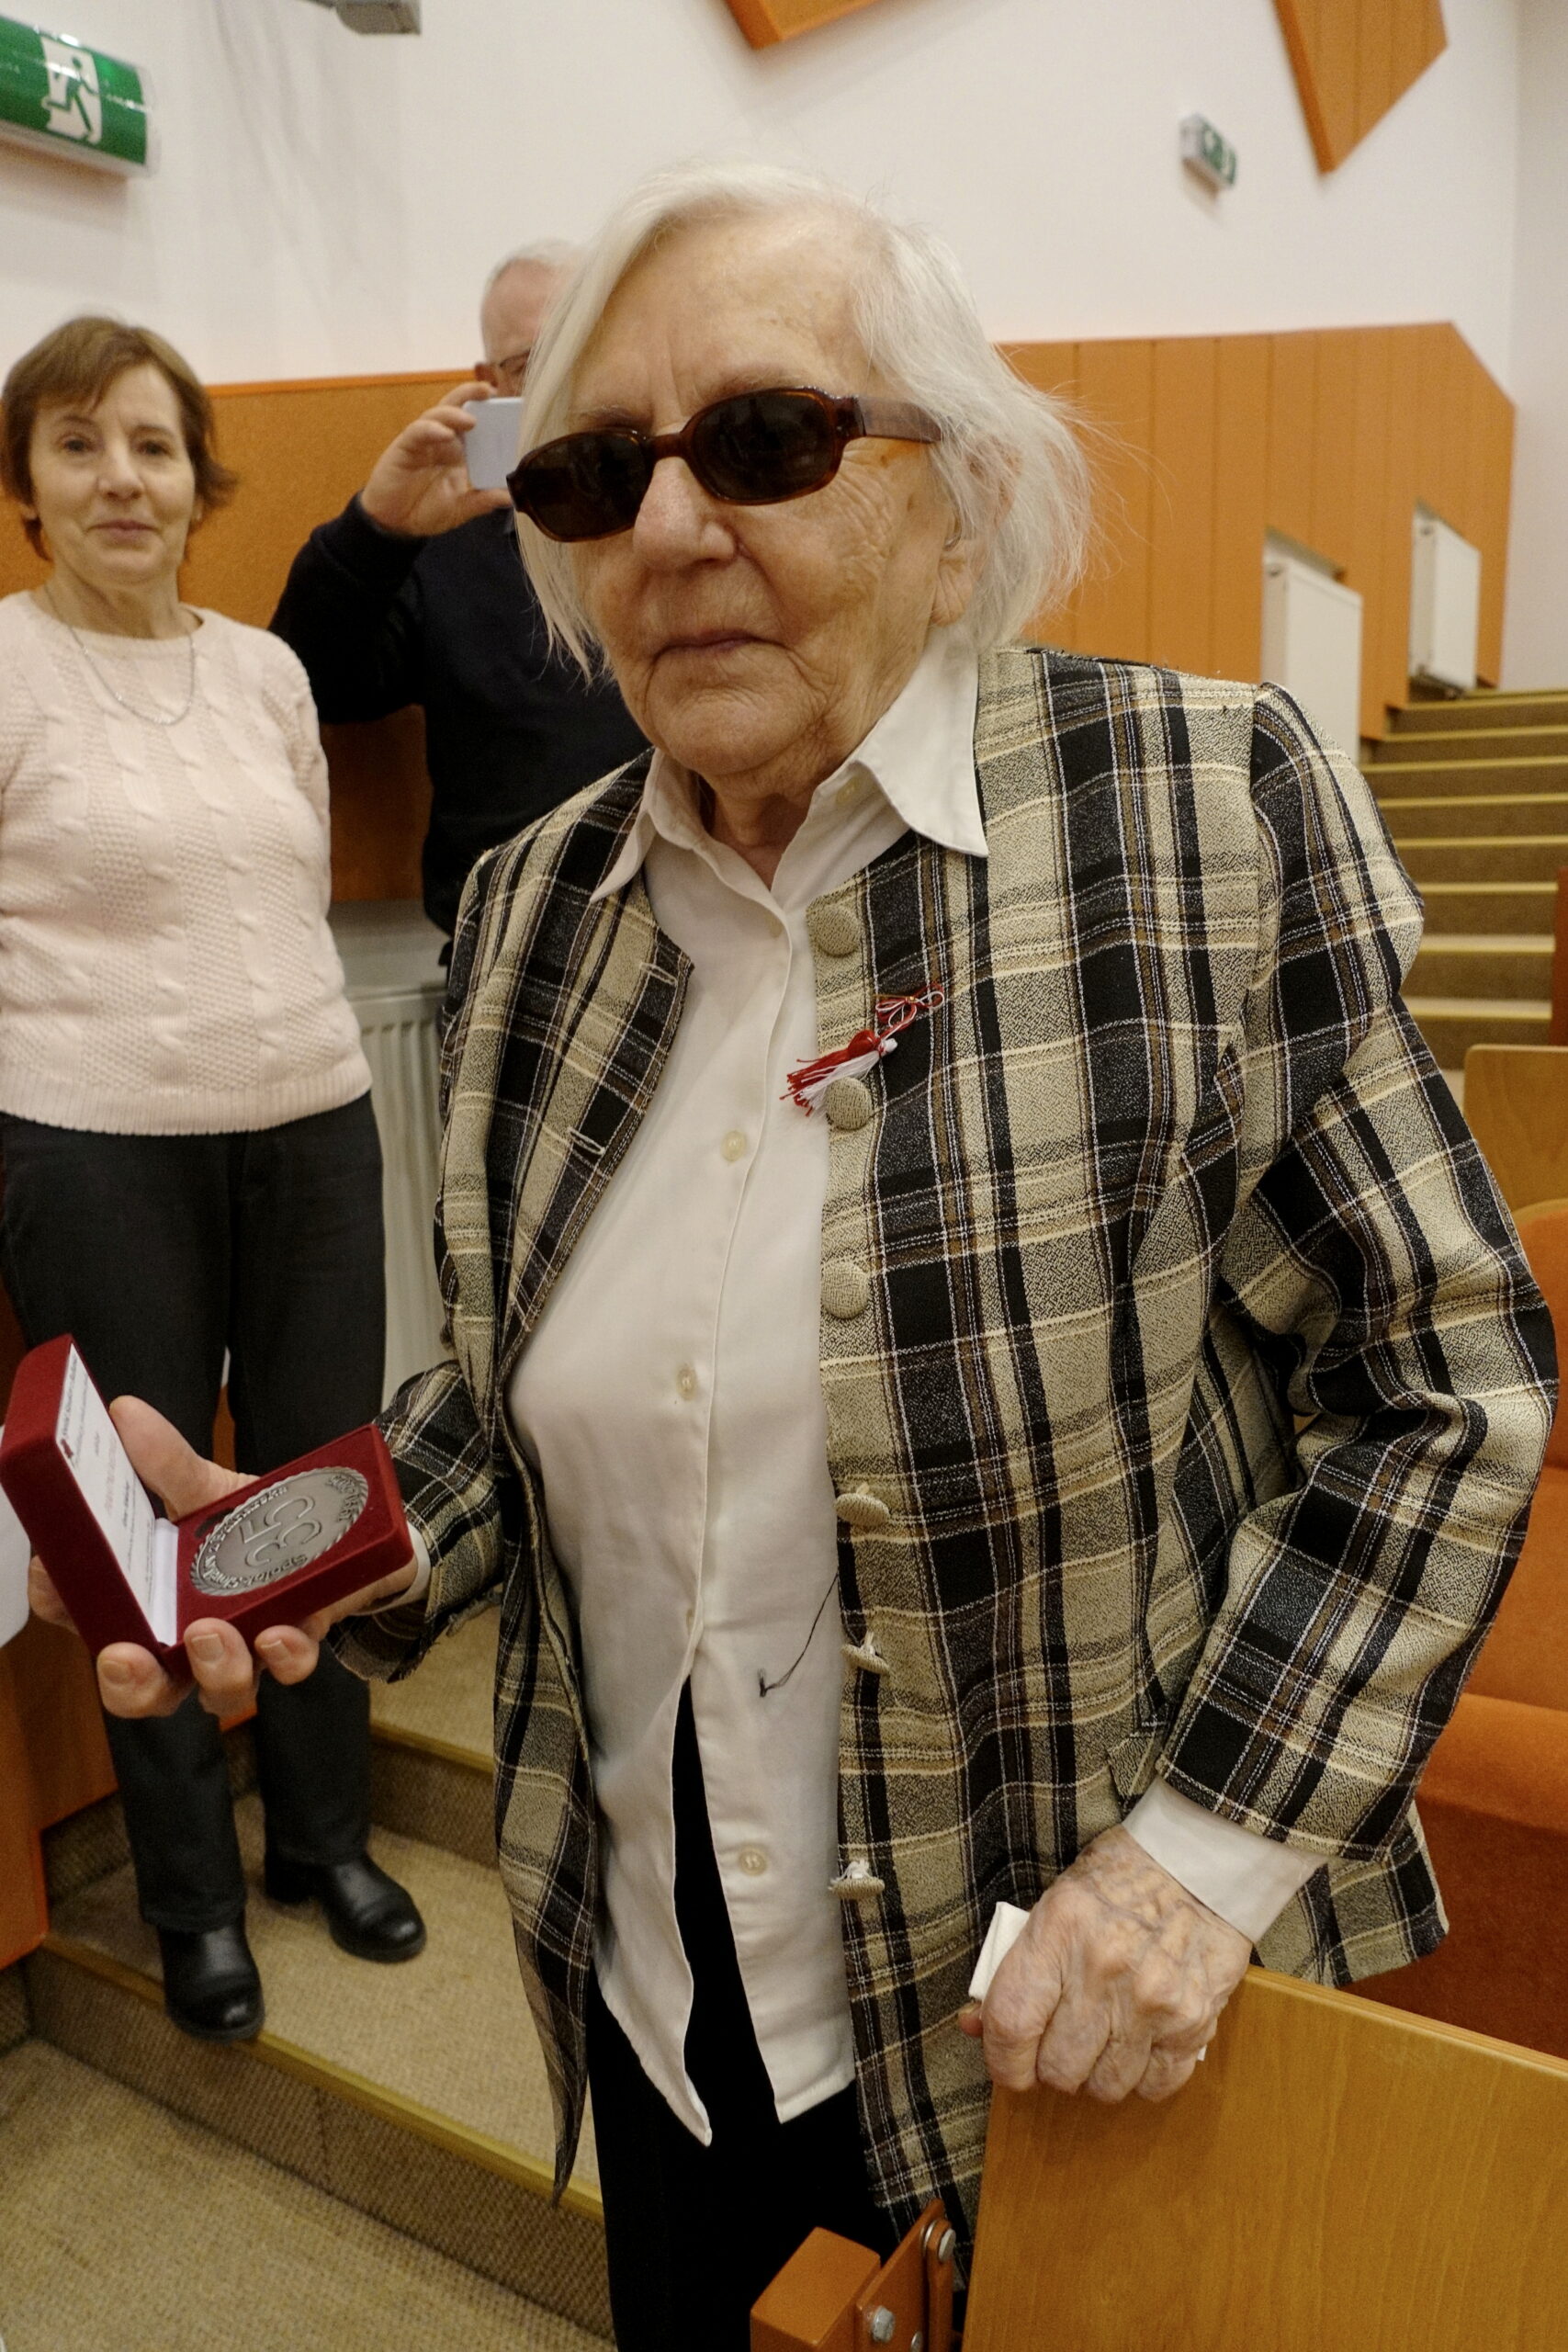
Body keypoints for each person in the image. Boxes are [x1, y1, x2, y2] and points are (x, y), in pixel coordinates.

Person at [31, 167, 1553, 2347]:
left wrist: (1191, 1864)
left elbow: (1439, 1375)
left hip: (1064, 2015)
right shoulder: (534, 907)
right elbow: (508, 1402)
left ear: (964, 495)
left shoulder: (1196, 802)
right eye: (588, 472)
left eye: (761, 439)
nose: (662, 529)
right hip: (656, 1986)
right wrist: (291, 1550)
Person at [0, 316, 425, 2046]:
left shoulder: (264, 675)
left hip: (311, 1120)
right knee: (138, 1541)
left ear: (197, 483)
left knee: (318, 1492)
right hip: (89, 1144)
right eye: (78, 444)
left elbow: (287, 886)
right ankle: (191, 1902)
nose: (121, 479)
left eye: (153, 445)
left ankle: (325, 1841)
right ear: (29, 488)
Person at [270, 243, 647, 942]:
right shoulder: (444, 538)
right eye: (532, 363)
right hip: (506, 939)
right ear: (489, 383)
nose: (563, 383)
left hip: (693, 917)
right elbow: (313, 684)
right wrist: (377, 529)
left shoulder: (676, 514)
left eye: (583, 348)